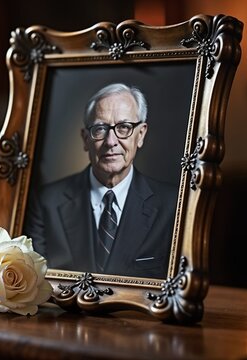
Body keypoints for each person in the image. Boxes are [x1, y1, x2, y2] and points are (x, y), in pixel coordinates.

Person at [24, 83, 178, 279]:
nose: (111, 141)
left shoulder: (173, 205)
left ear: (140, 135)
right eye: (100, 129)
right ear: (85, 139)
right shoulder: (47, 202)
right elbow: (37, 282)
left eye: (124, 127)